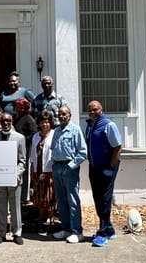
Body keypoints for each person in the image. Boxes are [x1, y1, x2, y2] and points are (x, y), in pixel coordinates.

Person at [85, 100, 122, 247]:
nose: (92, 112)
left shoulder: (109, 125)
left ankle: (102, 232)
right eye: (90, 110)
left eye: (95, 110)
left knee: (104, 199)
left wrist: (110, 167)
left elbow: (118, 147)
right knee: (98, 197)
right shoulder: (89, 126)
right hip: (94, 167)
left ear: (101, 109)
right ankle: (110, 229)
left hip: (106, 168)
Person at [50, 105, 87, 244]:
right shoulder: (57, 131)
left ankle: (77, 232)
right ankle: (65, 229)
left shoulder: (75, 129)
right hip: (57, 167)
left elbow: (83, 152)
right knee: (61, 200)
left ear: (70, 115)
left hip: (69, 167)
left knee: (73, 200)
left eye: (64, 114)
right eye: (59, 114)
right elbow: (53, 148)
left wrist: (71, 166)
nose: (61, 116)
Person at [0, 113, 26, 245]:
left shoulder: (19, 138)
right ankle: (1, 233)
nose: (6, 123)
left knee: (15, 207)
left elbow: (22, 161)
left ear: (12, 121)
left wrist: (17, 173)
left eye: (9, 120)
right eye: (4, 120)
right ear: (0, 121)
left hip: (14, 178)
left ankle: (17, 233)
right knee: (1, 207)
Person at [30, 110, 56, 226]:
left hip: (49, 170)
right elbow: (32, 155)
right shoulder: (35, 136)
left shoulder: (54, 135)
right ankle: (42, 215)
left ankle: (50, 217)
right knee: (39, 194)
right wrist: (32, 169)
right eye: (42, 122)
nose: (44, 124)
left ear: (50, 123)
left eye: (47, 122)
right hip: (37, 169)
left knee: (49, 194)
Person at [13, 97, 37, 205]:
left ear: (26, 108)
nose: (20, 109)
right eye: (18, 107)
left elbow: (33, 133)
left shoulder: (28, 118)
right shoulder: (14, 118)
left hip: (26, 148)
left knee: (25, 171)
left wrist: (23, 140)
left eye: (22, 107)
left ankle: (25, 197)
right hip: (14, 149)